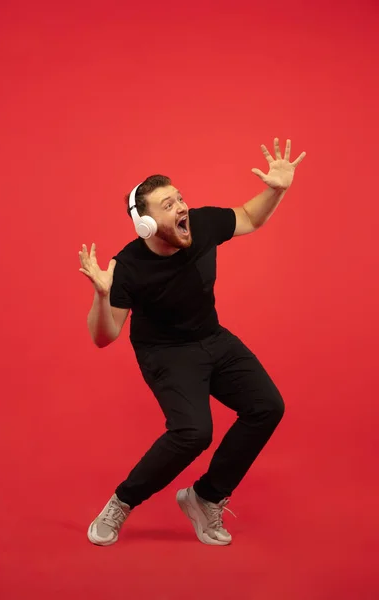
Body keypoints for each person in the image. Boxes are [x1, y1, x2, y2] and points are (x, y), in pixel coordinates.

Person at [79, 138, 306, 546]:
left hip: (212, 337)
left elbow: (249, 218)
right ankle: (121, 502)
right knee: (194, 432)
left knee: (267, 407)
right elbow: (104, 337)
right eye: (168, 205)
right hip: (165, 353)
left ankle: (205, 497)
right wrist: (100, 294)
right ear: (145, 224)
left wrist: (276, 190)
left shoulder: (200, 225)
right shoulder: (126, 267)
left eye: (179, 198)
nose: (182, 206)